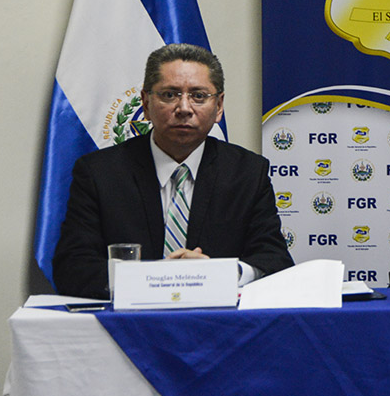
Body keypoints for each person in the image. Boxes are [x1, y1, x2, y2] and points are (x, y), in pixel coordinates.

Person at [53, 43, 294, 298]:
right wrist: (157, 279)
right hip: (129, 325)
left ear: (219, 106)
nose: (184, 108)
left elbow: (275, 261)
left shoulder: (247, 172)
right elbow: (72, 268)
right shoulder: (99, 173)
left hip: (219, 324)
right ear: (145, 103)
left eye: (198, 96)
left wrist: (220, 273)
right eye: (170, 95)